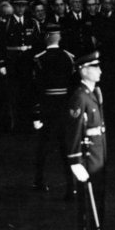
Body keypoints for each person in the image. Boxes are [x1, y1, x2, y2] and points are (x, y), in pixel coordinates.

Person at [63, 51, 108, 230]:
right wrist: (75, 161)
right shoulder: (80, 97)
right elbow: (73, 132)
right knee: (89, 208)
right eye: (95, 67)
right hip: (88, 161)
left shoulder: (93, 93)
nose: (99, 70)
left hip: (98, 159)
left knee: (97, 205)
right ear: (84, 70)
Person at [31, 24, 75, 197]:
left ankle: (39, 181)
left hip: (47, 107)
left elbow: (36, 88)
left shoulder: (39, 58)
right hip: (64, 107)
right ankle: (71, 186)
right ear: (59, 37)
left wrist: (36, 113)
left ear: (47, 36)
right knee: (67, 148)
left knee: (43, 146)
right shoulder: (69, 57)